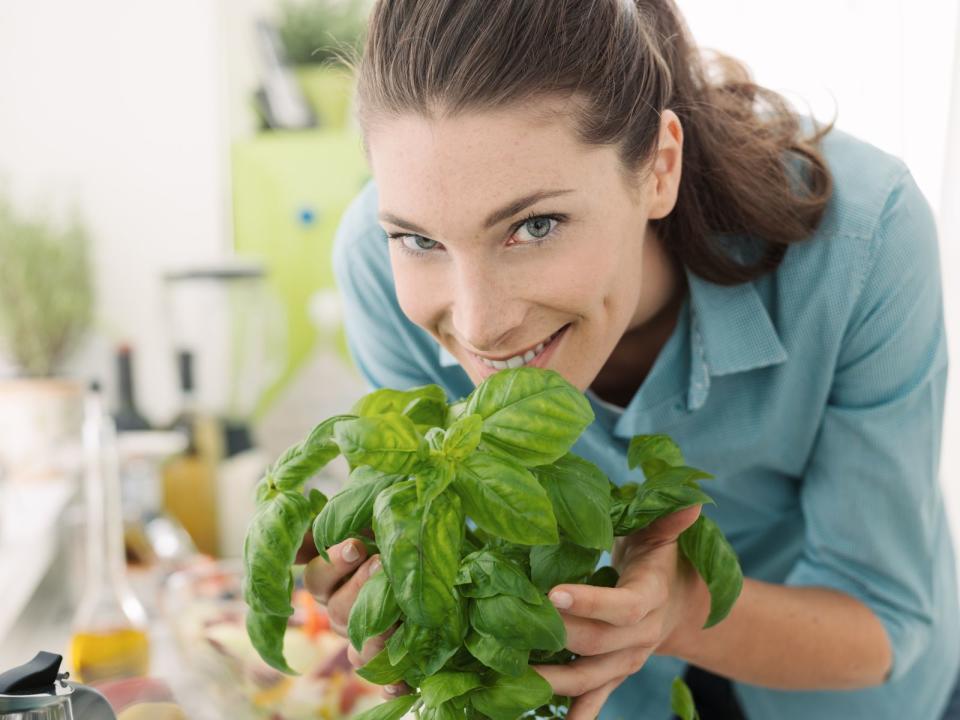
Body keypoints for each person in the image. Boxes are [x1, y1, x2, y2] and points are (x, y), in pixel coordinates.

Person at [301, 0, 960, 717]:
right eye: (420, 241)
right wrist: (398, 589)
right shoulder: (373, 268)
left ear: (659, 166)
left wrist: (677, 613)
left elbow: (881, 617)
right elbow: (461, 564)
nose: (478, 324)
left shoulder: (859, 242)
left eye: (535, 225)